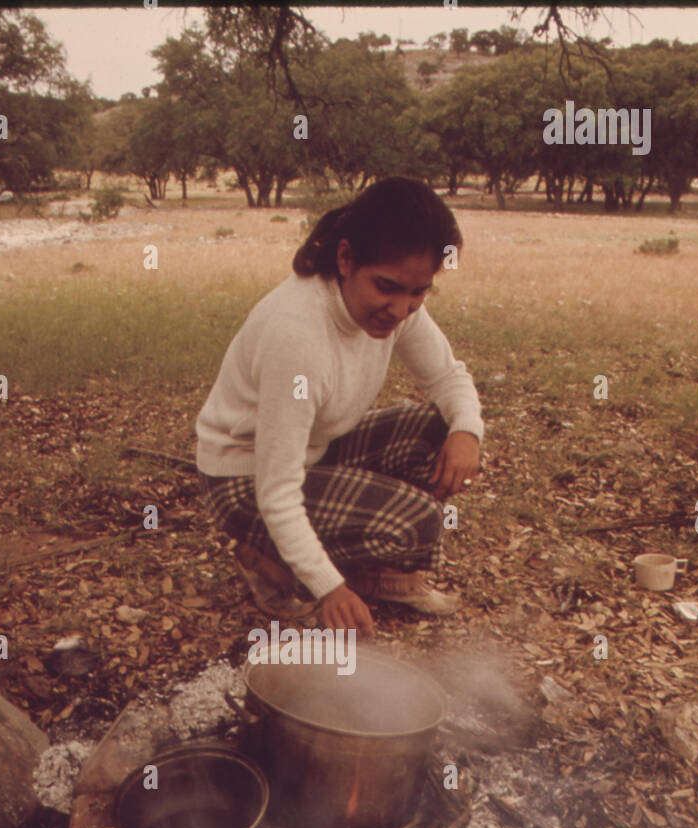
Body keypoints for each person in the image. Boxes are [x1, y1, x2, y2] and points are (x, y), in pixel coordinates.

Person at [195, 177, 484, 637]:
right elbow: (277, 490)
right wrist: (329, 588)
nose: (400, 309)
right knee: (414, 521)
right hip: (242, 478)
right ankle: (268, 559)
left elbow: (448, 377)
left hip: (312, 451)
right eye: (387, 287)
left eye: (419, 293)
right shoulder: (299, 336)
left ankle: (371, 575)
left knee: (438, 431)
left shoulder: (398, 303)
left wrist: (467, 429)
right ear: (346, 258)